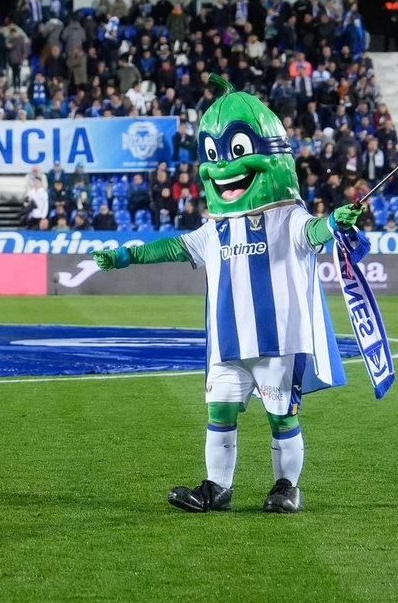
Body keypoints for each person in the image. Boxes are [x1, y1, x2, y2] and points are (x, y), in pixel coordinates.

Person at [91, 74, 364, 515]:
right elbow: (173, 246)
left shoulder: (287, 217)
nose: (221, 168)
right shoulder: (214, 228)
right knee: (220, 412)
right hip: (228, 340)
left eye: (235, 152)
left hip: (279, 339)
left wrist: (334, 222)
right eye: (214, 155)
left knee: (282, 417)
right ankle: (217, 488)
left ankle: (285, 487)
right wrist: (125, 255)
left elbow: (315, 231)